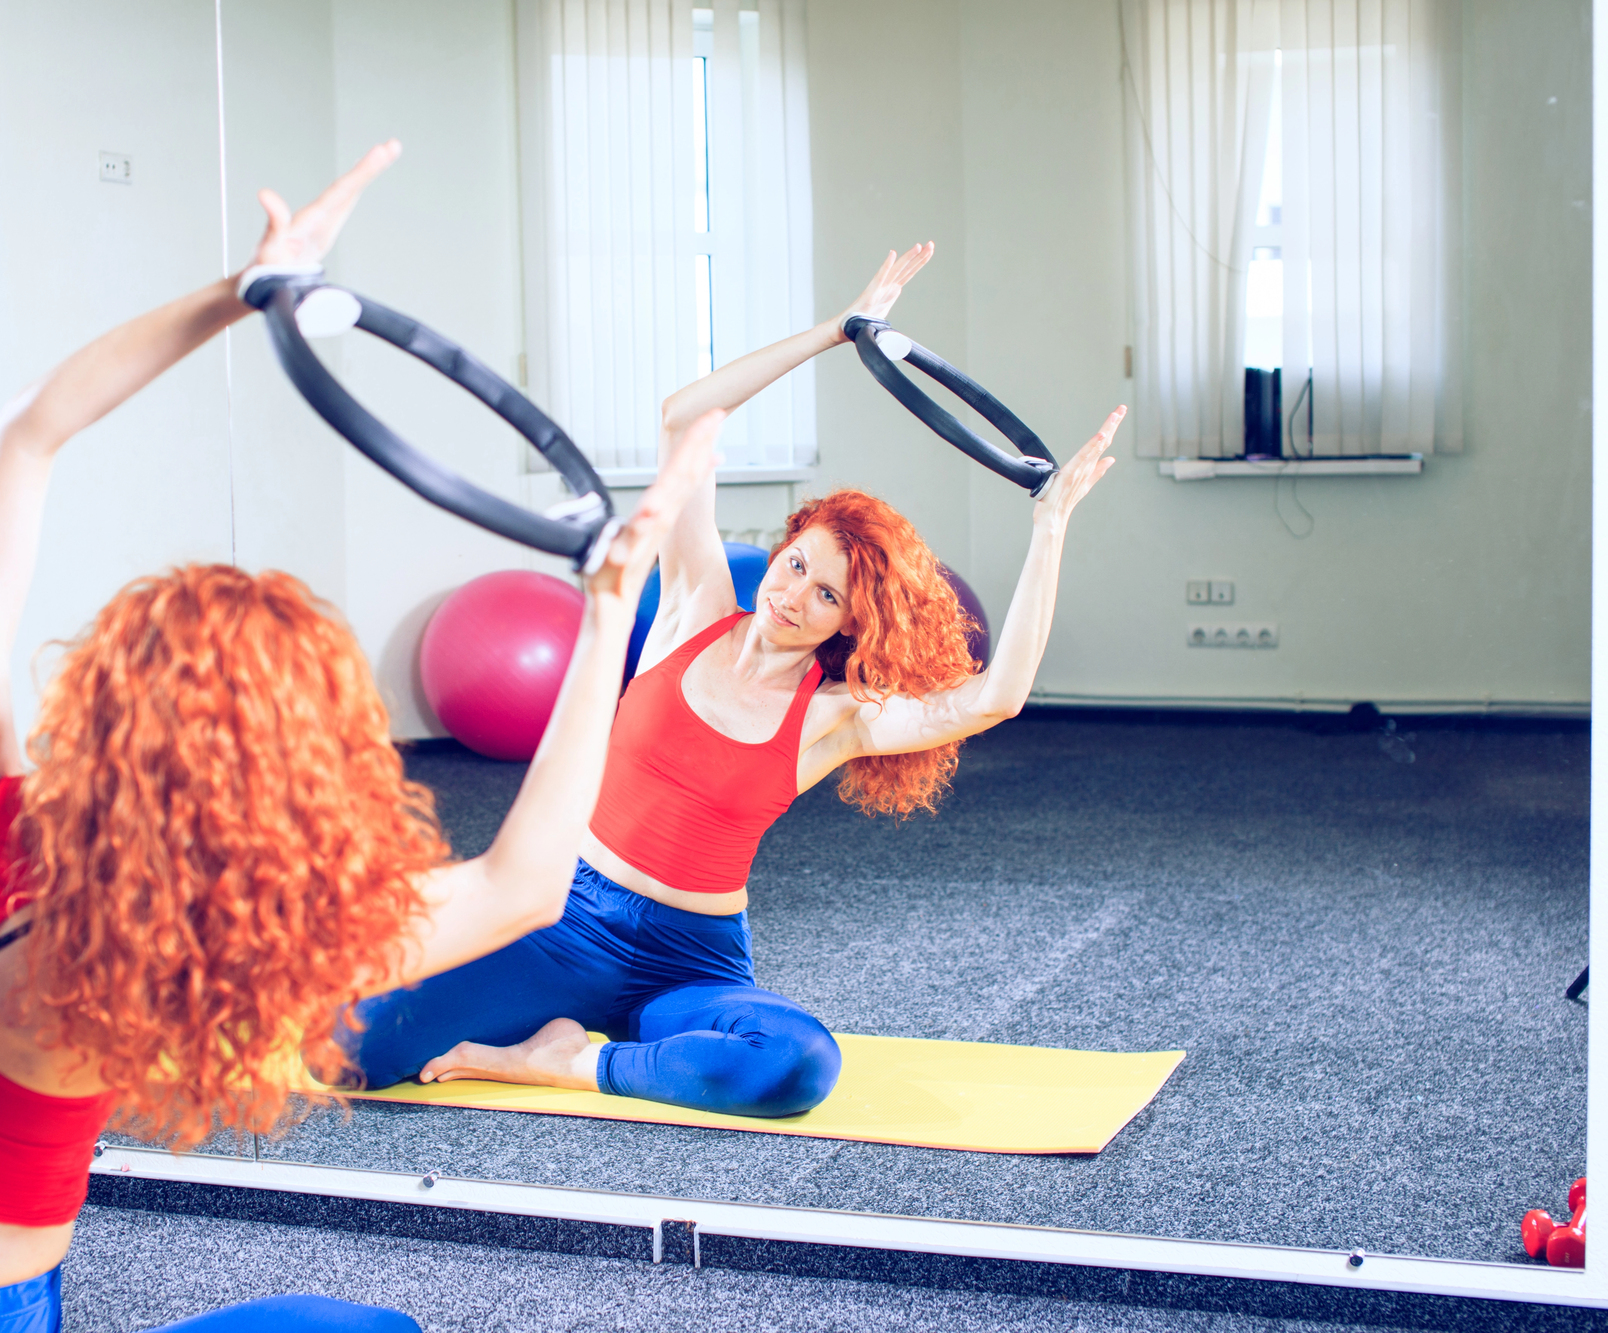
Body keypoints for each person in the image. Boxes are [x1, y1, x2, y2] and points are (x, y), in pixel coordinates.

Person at [0, 140, 719, 1333]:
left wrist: (246, 288)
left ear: (105, 701)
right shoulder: (224, 948)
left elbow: (25, 434)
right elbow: (523, 884)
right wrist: (603, 615)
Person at [348, 243, 1124, 1119]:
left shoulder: (836, 716)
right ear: (781, 548)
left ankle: (563, 1062)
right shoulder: (693, 608)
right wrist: (835, 331)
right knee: (349, 1048)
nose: (792, 595)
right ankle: (577, 1037)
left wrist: (1050, 525)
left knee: (796, 1066)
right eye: (795, 565)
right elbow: (685, 417)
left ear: (850, 622)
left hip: (692, 957)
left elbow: (996, 698)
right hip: (560, 922)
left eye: (826, 593)